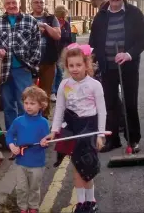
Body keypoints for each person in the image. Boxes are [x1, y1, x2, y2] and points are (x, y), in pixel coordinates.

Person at [41, 44, 107, 213]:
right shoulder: (64, 84)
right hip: (72, 128)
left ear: (86, 65)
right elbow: (60, 110)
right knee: (77, 167)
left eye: (79, 65)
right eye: (71, 65)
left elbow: (102, 111)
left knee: (88, 166)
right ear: (66, 66)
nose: (75, 69)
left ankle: (90, 200)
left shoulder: (95, 85)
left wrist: (100, 135)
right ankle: (81, 202)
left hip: (90, 127)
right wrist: (54, 130)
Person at [89, 0, 144, 153]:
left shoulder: (134, 13)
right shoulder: (101, 15)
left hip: (128, 67)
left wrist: (129, 54)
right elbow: (94, 41)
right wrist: (92, 60)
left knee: (130, 103)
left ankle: (133, 140)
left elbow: (143, 39)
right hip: (107, 67)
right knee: (110, 104)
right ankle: (112, 139)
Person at [0, 0, 41, 131]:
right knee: (8, 105)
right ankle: (12, 135)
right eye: (8, 3)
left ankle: (27, 134)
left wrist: (30, 66)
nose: (11, 6)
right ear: (4, 5)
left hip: (23, 70)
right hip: (4, 71)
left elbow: (36, 46)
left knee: (26, 104)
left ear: (20, 3)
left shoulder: (30, 21)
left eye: (14, 3)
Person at [6, 86, 49, 213]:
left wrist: (44, 142)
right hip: (21, 162)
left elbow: (47, 141)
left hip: (37, 163)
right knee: (21, 188)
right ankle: (23, 208)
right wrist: (12, 145)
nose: (28, 106)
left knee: (34, 188)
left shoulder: (44, 123)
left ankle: (33, 207)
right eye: (26, 103)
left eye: (32, 103)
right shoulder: (18, 121)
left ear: (41, 105)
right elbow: (9, 135)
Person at [89, 0, 126, 132]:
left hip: (112, 61)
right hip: (108, 60)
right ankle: (121, 121)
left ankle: (120, 122)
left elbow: (97, 39)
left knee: (110, 95)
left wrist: (92, 58)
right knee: (112, 94)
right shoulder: (103, 10)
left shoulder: (104, 10)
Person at [30, 0, 61, 118]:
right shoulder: (27, 18)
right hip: (31, 62)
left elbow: (57, 35)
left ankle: (44, 118)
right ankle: (32, 116)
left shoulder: (51, 18)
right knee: (31, 91)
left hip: (48, 61)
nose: (39, 4)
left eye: (41, 2)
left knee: (46, 92)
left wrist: (46, 26)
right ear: (31, 4)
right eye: (36, 2)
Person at [50, 5, 72, 102]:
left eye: (64, 17)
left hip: (63, 51)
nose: (62, 19)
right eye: (60, 17)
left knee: (60, 71)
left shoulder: (67, 24)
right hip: (53, 50)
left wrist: (69, 49)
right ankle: (52, 91)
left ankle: (58, 90)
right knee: (54, 71)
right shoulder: (53, 23)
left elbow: (70, 38)